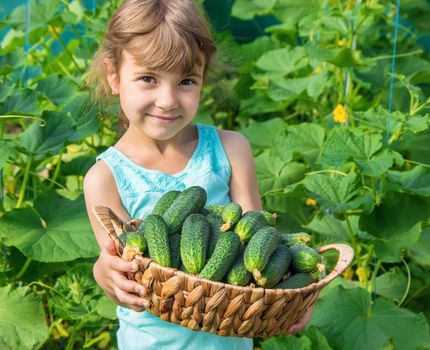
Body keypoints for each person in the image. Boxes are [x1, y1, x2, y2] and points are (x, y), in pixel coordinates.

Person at [83, 0, 313, 349]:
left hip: (229, 339)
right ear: (114, 76)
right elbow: (117, 264)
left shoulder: (232, 149)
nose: (167, 100)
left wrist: (294, 293)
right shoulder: (104, 178)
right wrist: (104, 272)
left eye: (186, 81)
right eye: (148, 78)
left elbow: (259, 237)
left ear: (204, 78)